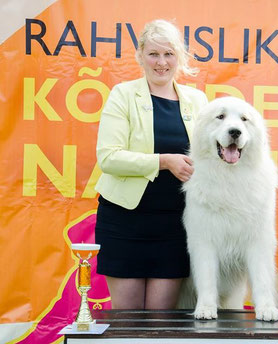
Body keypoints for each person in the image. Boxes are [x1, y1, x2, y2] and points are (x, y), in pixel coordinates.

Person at [94, 19, 208, 309]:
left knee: (162, 324)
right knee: (127, 324)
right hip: (124, 222)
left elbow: (211, 156)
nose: (161, 62)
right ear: (141, 56)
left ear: (180, 58)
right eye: (154, 54)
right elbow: (108, 157)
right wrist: (163, 162)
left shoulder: (198, 101)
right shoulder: (122, 94)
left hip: (176, 224)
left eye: (169, 54)